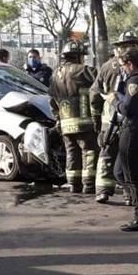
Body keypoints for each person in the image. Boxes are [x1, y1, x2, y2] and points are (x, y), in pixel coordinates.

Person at [90, 33, 138, 204]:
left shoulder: (106, 67)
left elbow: (94, 94)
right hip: (131, 120)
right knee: (131, 160)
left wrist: (96, 119)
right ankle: (129, 195)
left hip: (110, 120)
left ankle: (103, 191)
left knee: (107, 155)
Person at [112, 48, 138, 232]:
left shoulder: (136, 79)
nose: (123, 70)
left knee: (132, 176)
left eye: (124, 66)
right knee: (120, 172)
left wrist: (113, 101)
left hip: (134, 130)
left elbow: (128, 108)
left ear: (130, 63)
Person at [49, 41, 99, 193]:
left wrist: (58, 119)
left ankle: (73, 184)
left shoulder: (55, 74)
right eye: (82, 56)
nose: (83, 59)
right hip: (84, 121)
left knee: (72, 152)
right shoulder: (83, 70)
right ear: (77, 56)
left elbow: (52, 100)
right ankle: (89, 184)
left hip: (65, 122)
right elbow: (100, 82)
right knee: (89, 151)